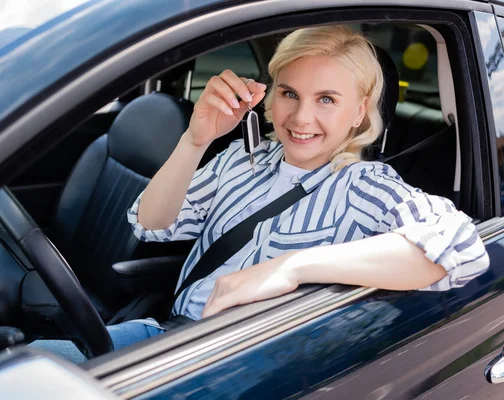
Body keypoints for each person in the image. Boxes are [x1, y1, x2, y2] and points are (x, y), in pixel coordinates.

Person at [32, 24, 490, 362]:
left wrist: (291, 266)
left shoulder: (361, 184)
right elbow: (151, 225)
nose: (301, 118)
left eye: (326, 99)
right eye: (290, 93)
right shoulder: (241, 159)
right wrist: (195, 140)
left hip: (237, 366)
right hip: (168, 337)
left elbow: (463, 248)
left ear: (359, 112)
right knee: (24, 367)